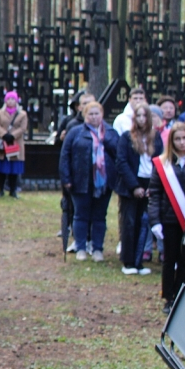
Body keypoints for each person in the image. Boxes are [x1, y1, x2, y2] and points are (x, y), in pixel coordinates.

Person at [148, 122, 185, 314]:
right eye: (177, 139)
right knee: (169, 260)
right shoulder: (163, 164)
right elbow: (154, 193)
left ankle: (182, 296)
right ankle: (168, 297)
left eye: (184, 138)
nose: (181, 142)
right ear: (171, 141)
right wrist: (155, 221)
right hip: (169, 220)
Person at [60, 101, 119, 262]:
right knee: (80, 215)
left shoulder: (111, 132)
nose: (94, 117)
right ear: (85, 116)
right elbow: (65, 155)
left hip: (103, 182)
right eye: (90, 114)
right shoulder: (75, 133)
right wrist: (66, 178)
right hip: (81, 180)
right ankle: (81, 247)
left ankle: (97, 248)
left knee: (100, 216)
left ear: (102, 114)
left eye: (96, 113)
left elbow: (118, 154)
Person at [114, 104, 161, 276]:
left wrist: (152, 187)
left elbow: (159, 161)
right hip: (131, 184)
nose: (141, 119)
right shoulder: (127, 137)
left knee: (143, 224)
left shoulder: (155, 138)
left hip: (149, 182)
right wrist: (134, 186)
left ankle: (139, 261)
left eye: (144, 116)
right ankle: (128, 261)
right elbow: (122, 162)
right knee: (129, 222)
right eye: (138, 116)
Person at [0, 91, 28, 198]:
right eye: (9, 99)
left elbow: (23, 128)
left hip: (15, 143)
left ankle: (13, 190)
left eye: (13, 99)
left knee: (14, 168)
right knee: (1, 167)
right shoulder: (0, 113)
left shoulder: (22, 114)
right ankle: (1, 189)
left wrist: (13, 135)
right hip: (3, 143)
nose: (11, 101)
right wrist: (4, 134)